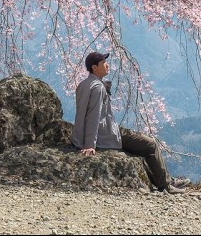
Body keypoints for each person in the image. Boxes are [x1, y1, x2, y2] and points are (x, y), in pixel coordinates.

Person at [72, 51, 185, 194]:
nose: (107, 65)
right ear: (94, 67)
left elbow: (83, 114)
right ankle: (166, 185)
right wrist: (89, 144)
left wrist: (78, 139)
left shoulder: (84, 84)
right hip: (105, 135)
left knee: (142, 146)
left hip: (98, 132)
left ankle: (165, 180)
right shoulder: (98, 87)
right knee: (150, 144)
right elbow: (94, 116)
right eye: (103, 63)